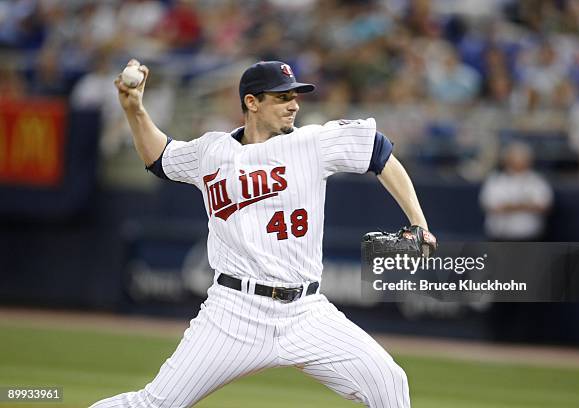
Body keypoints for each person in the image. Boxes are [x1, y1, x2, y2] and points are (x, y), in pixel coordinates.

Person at [90, 59, 436, 408]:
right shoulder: (212, 151)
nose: (294, 105)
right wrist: (133, 109)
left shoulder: (312, 143)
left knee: (389, 383)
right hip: (234, 312)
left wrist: (418, 221)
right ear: (252, 102)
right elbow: (160, 157)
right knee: (154, 404)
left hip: (306, 313)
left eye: (295, 96)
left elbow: (378, 151)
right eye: (282, 97)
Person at [479, 142, 553, 241]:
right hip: (500, 237)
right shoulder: (495, 180)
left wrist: (511, 207)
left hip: (530, 238)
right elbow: (491, 206)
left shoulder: (537, 181)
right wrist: (525, 205)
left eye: (522, 158)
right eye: (514, 157)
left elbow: (544, 206)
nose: (518, 161)